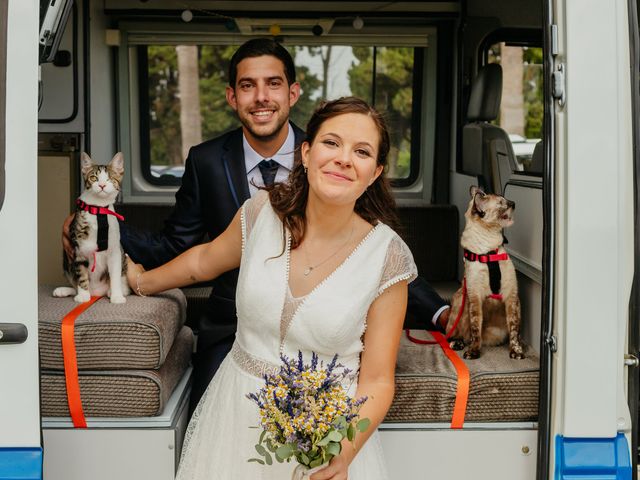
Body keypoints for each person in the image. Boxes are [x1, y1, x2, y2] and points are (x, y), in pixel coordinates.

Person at [63, 38, 449, 414]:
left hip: (320, 333)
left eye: (274, 84)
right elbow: (183, 249)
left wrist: (440, 314)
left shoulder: (333, 159)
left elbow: (373, 258)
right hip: (232, 324)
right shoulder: (207, 160)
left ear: (293, 93)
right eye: (248, 86)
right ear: (233, 97)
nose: (261, 97)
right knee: (208, 416)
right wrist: (95, 226)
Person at [126, 96, 417, 480]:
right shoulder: (261, 213)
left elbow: (378, 380)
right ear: (307, 153)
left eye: (361, 151)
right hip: (233, 418)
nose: (344, 158)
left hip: (326, 437)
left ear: (375, 172)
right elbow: (202, 262)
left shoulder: (388, 257)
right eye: (331, 143)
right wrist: (141, 281)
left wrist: (343, 454)